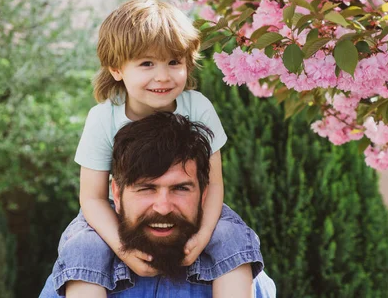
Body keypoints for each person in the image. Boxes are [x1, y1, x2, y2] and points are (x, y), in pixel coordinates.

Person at [49, 0, 262, 297]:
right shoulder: (103, 117)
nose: (162, 76)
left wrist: (202, 237)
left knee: (232, 236)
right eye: (147, 63)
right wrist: (122, 250)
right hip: (116, 210)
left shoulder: (198, 107)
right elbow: (93, 198)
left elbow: (213, 185)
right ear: (117, 68)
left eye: (174, 62)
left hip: (193, 206)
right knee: (84, 247)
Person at [40, 112, 276, 297]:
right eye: (146, 188)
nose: (163, 207)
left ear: (204, 193)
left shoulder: (242, 277)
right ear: (117, 195)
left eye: (180, 188)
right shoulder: (75, 274)